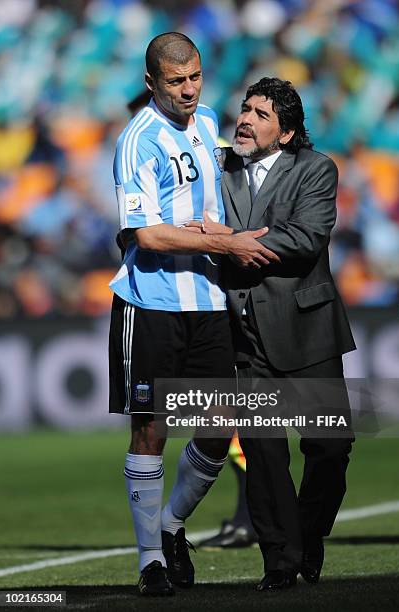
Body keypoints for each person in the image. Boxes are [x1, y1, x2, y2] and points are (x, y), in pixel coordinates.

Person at [108, 33, 277, 597]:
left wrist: (228, 234)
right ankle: (151, 560)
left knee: (216, 426)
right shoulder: (137, 141)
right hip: (151, 302)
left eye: (195, 77)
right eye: (176, 81)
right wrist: (227, 245)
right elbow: (147, 232)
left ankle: (172, 523)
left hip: (208, 299)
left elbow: (217, 201)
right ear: (151, 83)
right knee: (151, 429)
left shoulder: (208, 123)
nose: (188, 90)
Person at [199, 77, 356, 591]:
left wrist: (229, 241)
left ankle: (309, 537)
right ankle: (280, 562)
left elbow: (306, 237)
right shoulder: (219, 167)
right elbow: (194, 225)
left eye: (261, 114)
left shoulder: (315, 168)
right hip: (245, 333)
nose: (245, 119)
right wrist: (227, 240)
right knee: (264, 455)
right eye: (245, 109)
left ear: (286, 133)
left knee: (329, 450)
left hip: (307, 329)